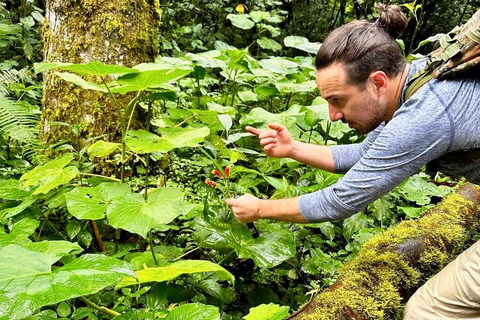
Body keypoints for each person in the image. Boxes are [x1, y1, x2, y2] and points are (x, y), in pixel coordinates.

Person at [225, 4, 480, 320]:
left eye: (338, 100)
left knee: (427, 311)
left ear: (377, 83)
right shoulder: (417, 82)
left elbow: (341, 201)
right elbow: (364, 155)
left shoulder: (422, 118)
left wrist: (260, 209)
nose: (333, 115)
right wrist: (293, 149)